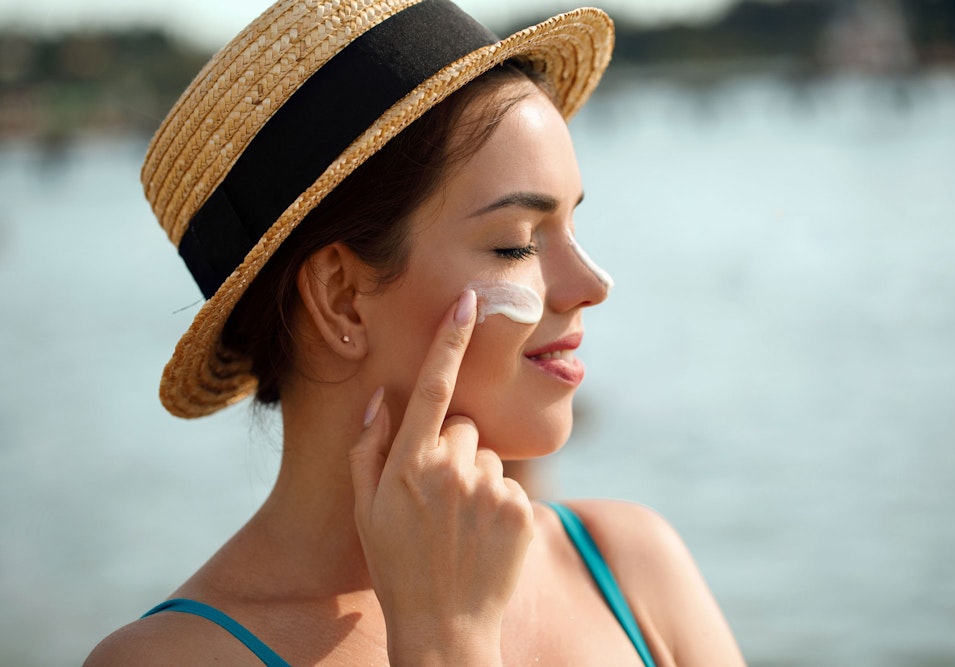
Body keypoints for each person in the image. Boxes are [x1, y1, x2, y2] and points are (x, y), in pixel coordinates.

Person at [85, 0, 746, 664]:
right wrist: (446, 637)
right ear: (342, 299)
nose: (593, 285)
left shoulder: (630, 566)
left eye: (571, 227)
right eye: (516, 244)